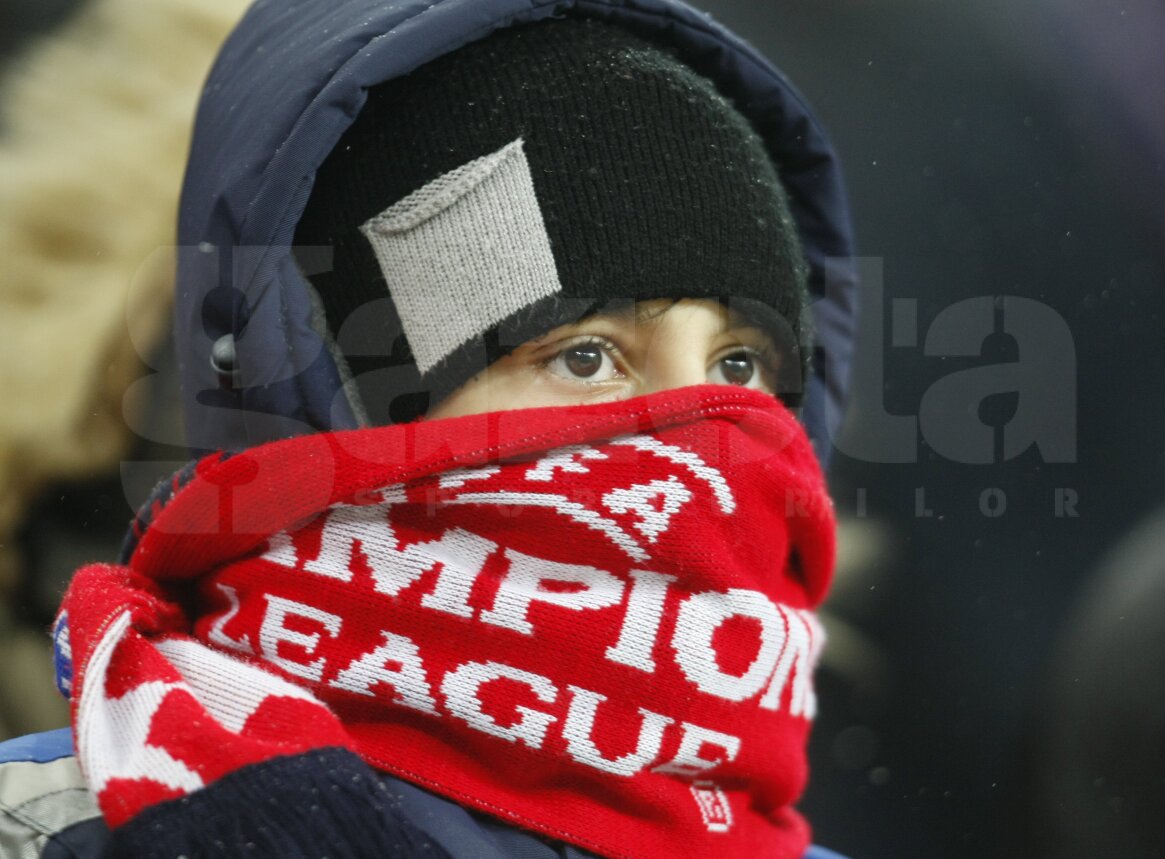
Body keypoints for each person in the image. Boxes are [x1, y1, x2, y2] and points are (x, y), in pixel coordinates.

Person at [0, 1, 858, 857]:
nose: (700, 433)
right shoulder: (50, 826)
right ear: (350, 409)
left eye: (739, 367)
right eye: (587, 356)